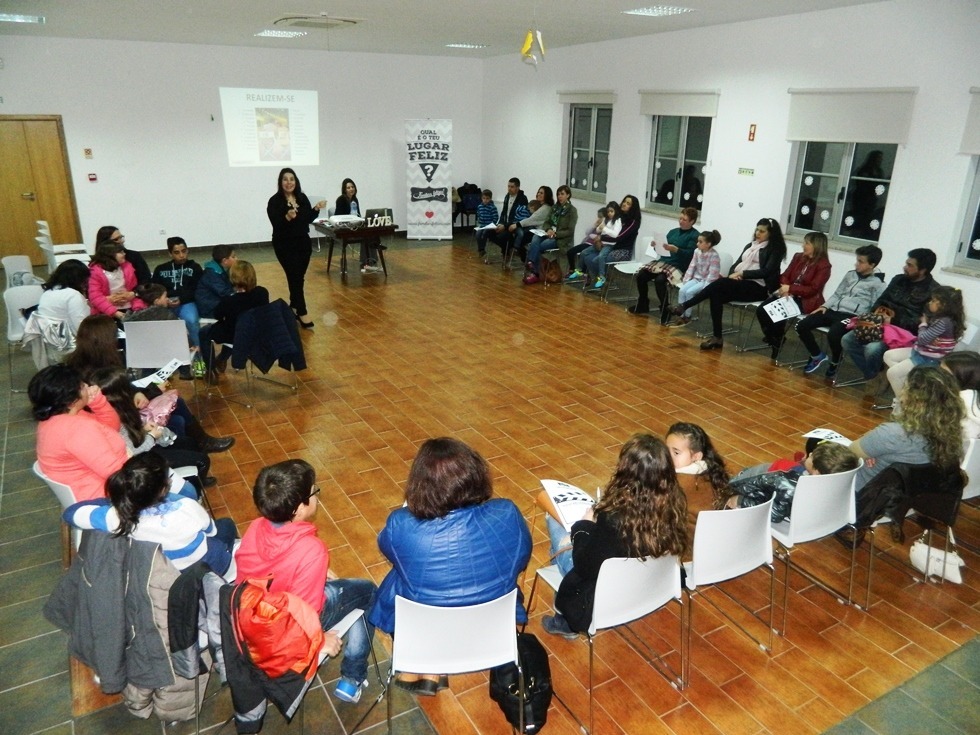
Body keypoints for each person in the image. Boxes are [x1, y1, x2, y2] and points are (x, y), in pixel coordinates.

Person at [369, 438, 531, 695]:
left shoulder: (401, 523)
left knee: (400, 576)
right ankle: (430, 666)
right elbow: (521, 558)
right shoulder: (507, 512)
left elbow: (387, 547)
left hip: (427, 625)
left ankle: (426, 664)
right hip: (492, 629)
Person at [235, 459, 378, 704]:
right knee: (368, 592)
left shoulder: (256, 527)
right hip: (288, 627)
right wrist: (319, 641)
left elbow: (252, 578)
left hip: (255, 617)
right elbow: (308, 613)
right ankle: (352, 676)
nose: (316, 496)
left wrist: (313, 570)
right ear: (299, 509)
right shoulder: (311, 549)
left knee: (346, 589)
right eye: (314, 492)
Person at [542, 434, 688, 638]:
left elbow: (584, 566)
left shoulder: (614, 519)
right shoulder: (675, 503)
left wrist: (584, 525)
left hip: (608, 595)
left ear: (625, 471)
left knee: (554, 521)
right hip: (653, 584)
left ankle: (566, 620)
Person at [67, 314, 235, 454]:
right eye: (114, 336)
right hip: (122, 422)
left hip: (125, 410)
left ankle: (198, 444)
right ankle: (196, 447)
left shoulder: (90, 361)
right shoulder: (92, 373)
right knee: (176, 414)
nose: (117, 339)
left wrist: (137, 391)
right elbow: (119, 403)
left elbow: (122, 387)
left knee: (177, 404)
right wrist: (151, 390)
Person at [839, 366, 964, 542]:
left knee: (819, 449)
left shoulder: (892, 434)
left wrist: (871, 452)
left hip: (863, 496)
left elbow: (850, 452)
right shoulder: (950, 432)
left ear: (913, 399)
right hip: (909, 496)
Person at [63, 453, 236, 575]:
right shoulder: (187, 507)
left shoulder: (117, 518)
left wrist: (113, 502)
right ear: (163, 489)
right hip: (212, 567)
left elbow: (70, 514)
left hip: (169, 575)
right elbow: (211, 531)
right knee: (226, 525)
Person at [670, 217, 787, 351]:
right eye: (757, 230)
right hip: (741, 283)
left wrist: (742, 274)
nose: (757, 233)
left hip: (760, 287)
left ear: (771, 233)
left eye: (762, 231)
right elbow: (735, 265)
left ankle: (685, 306)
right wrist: (734, 274)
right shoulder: (750, 246)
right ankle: (717, 337)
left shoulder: (775, 249)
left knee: (719, 284)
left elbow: (767, 271)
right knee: (716, 295)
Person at [89, 366, 213, 489]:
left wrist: (145, 430)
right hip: (141, 459)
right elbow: (131, 453)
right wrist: (152, 436)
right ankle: (194, 489)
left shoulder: (117, 409)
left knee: (190, 442)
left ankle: (194, 477)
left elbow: (132, 435)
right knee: (202, 461)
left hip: (143, 444)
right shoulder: (111, 419)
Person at [841, 248, 938, 393]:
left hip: (902, 334)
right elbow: (881, 300)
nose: (905, 267)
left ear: (922, 270)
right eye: (906, 263)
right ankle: (875, 374)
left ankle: (876, 374)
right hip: (880, 324)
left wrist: (894, 320)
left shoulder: (933, 291)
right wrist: (877, 314)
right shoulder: (899, 280)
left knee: (872, 349)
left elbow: (922, 323)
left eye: (910, 265)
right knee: (847, 340)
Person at [28, 364, 129, 502]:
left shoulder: (55, 418)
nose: (87, 386)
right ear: (71, 400)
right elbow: (116, 473)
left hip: (87, 488)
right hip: (104, 497)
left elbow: (111, 428)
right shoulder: (77, 429)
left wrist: (98, 402)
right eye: (82, 386)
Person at [799, 245, 885, 379]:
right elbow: (837, 294)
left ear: (872, 265)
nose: (857, 264)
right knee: (802, 325)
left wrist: (862, 319)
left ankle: (835, 361)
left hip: (853, 316)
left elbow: (875, 307)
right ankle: (817, 355)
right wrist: (825, 306)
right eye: (857, 260)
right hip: (834, 310)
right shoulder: (850, 274)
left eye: (861, 262)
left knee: (834, 333)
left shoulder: (878, 283)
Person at [722, 442, 860, 523]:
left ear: (817, 472)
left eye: (812, 456)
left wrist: (741, 500)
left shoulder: (790, 487)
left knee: (744, 477)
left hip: (767, 494)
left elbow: (774, 513)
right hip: (815, 518)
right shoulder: (837, 484)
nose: (810, 454)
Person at [755, 231, 832, 360]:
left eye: (807, 243)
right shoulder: (798, 257)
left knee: (778, 314)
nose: (803, 245)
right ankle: (775, 338)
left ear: (816, 246)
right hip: (787, 294)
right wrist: (786, 289)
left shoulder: (824, 266)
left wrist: (791, 288)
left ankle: (776, 342)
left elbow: (813, 289)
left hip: (805, 300)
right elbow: (785, 275)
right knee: (761, 310)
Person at [267, 168, 326, 328]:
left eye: (291, 179)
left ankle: (293, 306)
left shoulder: (302, 197)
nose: (289, 182)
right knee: (294, 276)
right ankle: (302, 312)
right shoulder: (275, 201)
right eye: (285, 179)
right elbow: (276, 224)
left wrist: (316, 209)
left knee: (298, 277)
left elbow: (307, 218)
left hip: (303, 243)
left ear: (296, 181)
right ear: (280, 182)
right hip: (284, 244)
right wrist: (287, 216)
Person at [884, 286, 965, 400]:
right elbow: (924, 339)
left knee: (892, 373)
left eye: (933, 301)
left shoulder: (944, 322)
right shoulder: (942, 318)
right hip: (921, 351)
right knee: (888, 355)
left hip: (928, 359)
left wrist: (923, 324)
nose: (930, 303)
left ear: (943, 305)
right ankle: (910, 384)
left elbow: (922, 339)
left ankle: (903, 402)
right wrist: (926, 335)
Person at [200, 260, 269, 375]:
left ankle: (211, 370)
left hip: (234, 335)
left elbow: (217, 315)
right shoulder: (262, 292)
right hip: (256, 333)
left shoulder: (229, 300)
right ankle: (222, 358)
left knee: (203, 332)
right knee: (232, 327)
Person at [629, 207, 700, 318]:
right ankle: (643, 303)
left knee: (660, 280)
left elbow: (691, 255)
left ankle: (665, 308)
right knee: (641, 275)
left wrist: (676, 250)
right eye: (680, 218)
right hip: (664, 262)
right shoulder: (673, 232)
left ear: (692, 221)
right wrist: (655, 246)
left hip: (678, 265)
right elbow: (662, 249)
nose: (681, 221)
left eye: (684, 220)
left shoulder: (694, 236)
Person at [577, 194, 643, 289]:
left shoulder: (633, 222)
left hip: (623, 251)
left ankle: (606, 280)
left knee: (596, 260)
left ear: (633, 207)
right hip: (610, 246)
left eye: (628, 203)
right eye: (624, 201)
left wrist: (601, 238)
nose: (624, 204)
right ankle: (604, 279)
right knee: (587, 257)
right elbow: (607, 231)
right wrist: (600, 239)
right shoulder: (617, 216)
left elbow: (618, 237)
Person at [665, 422, 730, 514]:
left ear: (696, 456)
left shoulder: (678, 481)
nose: (668, 456)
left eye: (676, 453)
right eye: (666, 450)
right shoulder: (712, 472)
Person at [663, 229, 722, 328]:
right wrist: (686, 280)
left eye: (700, 242)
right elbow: (692, 266)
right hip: (696, 278)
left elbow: (713, 274)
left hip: (706, 281)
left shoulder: (714, 256)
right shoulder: (696, 251)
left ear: (708, 244)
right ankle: (680, 315)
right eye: (697, 241)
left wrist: (706, 288)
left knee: (689, 292)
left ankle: (687, 317)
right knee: (682, 290)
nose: (697, 244)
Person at [152, 236, 203, 349]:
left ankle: (198, 352)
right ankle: (170, 352)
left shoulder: (195, 267)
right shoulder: (160, 269)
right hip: (165, 303)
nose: (181, 255)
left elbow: (198, 289)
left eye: (184, 251)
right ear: (170, 254)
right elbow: (155, 289)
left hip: (187, 302)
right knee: (160, 324)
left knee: (192, 321)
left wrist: (182, 299)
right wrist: (164, 300)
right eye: (177, 252)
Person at [524, 185, 578, 284]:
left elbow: (570, 231)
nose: (560, 196)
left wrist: (556, 234)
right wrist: (548, 229)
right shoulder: (554, 208)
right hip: (548, 233)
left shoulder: (572, 211)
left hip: (560, 239)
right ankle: (531, 263)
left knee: (540, 246)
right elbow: (546, 222)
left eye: (562, 194)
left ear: (568, 195)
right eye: (558, 194)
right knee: (535, 238)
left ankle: (535, 272)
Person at [88, 240, 147, 320]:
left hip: (130, 308)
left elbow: (134, 289)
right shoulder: (96, 272)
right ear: (110, 255)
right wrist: (115, 312)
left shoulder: (128, 268)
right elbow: (95, 297)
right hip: (106, 313)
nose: (124, 254)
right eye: (121, 252)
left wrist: (137, 306)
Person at [36, 258, 90, 335]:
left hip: (44, 335)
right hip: (63, 338)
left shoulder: (48, 292)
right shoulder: (73, 295)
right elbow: (81, 327)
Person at [941, 351, 980, 451]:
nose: (939, 376)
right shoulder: (972, 396)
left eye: (945, 374)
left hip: (962, 451)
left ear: (962, 378)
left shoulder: (961, 400)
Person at [488, 178, 529, 259]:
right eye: (508, 186)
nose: (509, 188)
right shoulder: (507, 196)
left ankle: (512, 249)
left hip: (514, 225)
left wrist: (505, 226)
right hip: (505, 224)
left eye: (512, 187)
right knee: (488, 232)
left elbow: (518, 217)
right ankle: (507, 249)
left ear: (518, 187)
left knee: (502, 236)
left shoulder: (523, 199)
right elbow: (504, 212)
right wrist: (500, 223)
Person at [512, 185, 554, 263]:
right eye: (538, 192)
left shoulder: (545, 208)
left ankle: (530, 261)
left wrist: (516, 225)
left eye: (541, 193)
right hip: (535, 230)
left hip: (540, 232)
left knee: (521, 237)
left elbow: (531, 220)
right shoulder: (541, 206)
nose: (538, 194)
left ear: (547, 195)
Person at [195, 244, 236, 319]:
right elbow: (224, 292)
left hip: (215, 303)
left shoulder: (220, 269)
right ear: (225, 261)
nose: (236, 259)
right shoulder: (212, 273)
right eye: (233, 257)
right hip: (209, 309)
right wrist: (239, 296)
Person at [564, 207, 606, 277]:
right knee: (570, 252)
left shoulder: (605, 227)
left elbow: (596, 237)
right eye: (598, 217)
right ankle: (572, 269)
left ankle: (583, 272)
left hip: (592, 245)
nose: (599, 219)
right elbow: (587, 233)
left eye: (601, 217)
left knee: (583, 254)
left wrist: (594, 235)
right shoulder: (596, 226)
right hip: (586, 243)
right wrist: (594, 225)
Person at [474, 188, 498, 258]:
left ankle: (482, 248)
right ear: (481, 198)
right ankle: (481, 249)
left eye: (487, 198)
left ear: (490, 199)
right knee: (478, 234)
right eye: (484, 198)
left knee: (484, 234)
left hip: (490, 226)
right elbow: (478, 215)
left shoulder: (492, 207)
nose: (485, 200)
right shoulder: (479, 207)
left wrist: (492, 224)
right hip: (482, 225)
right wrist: (479, 223)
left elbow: (495, 218)